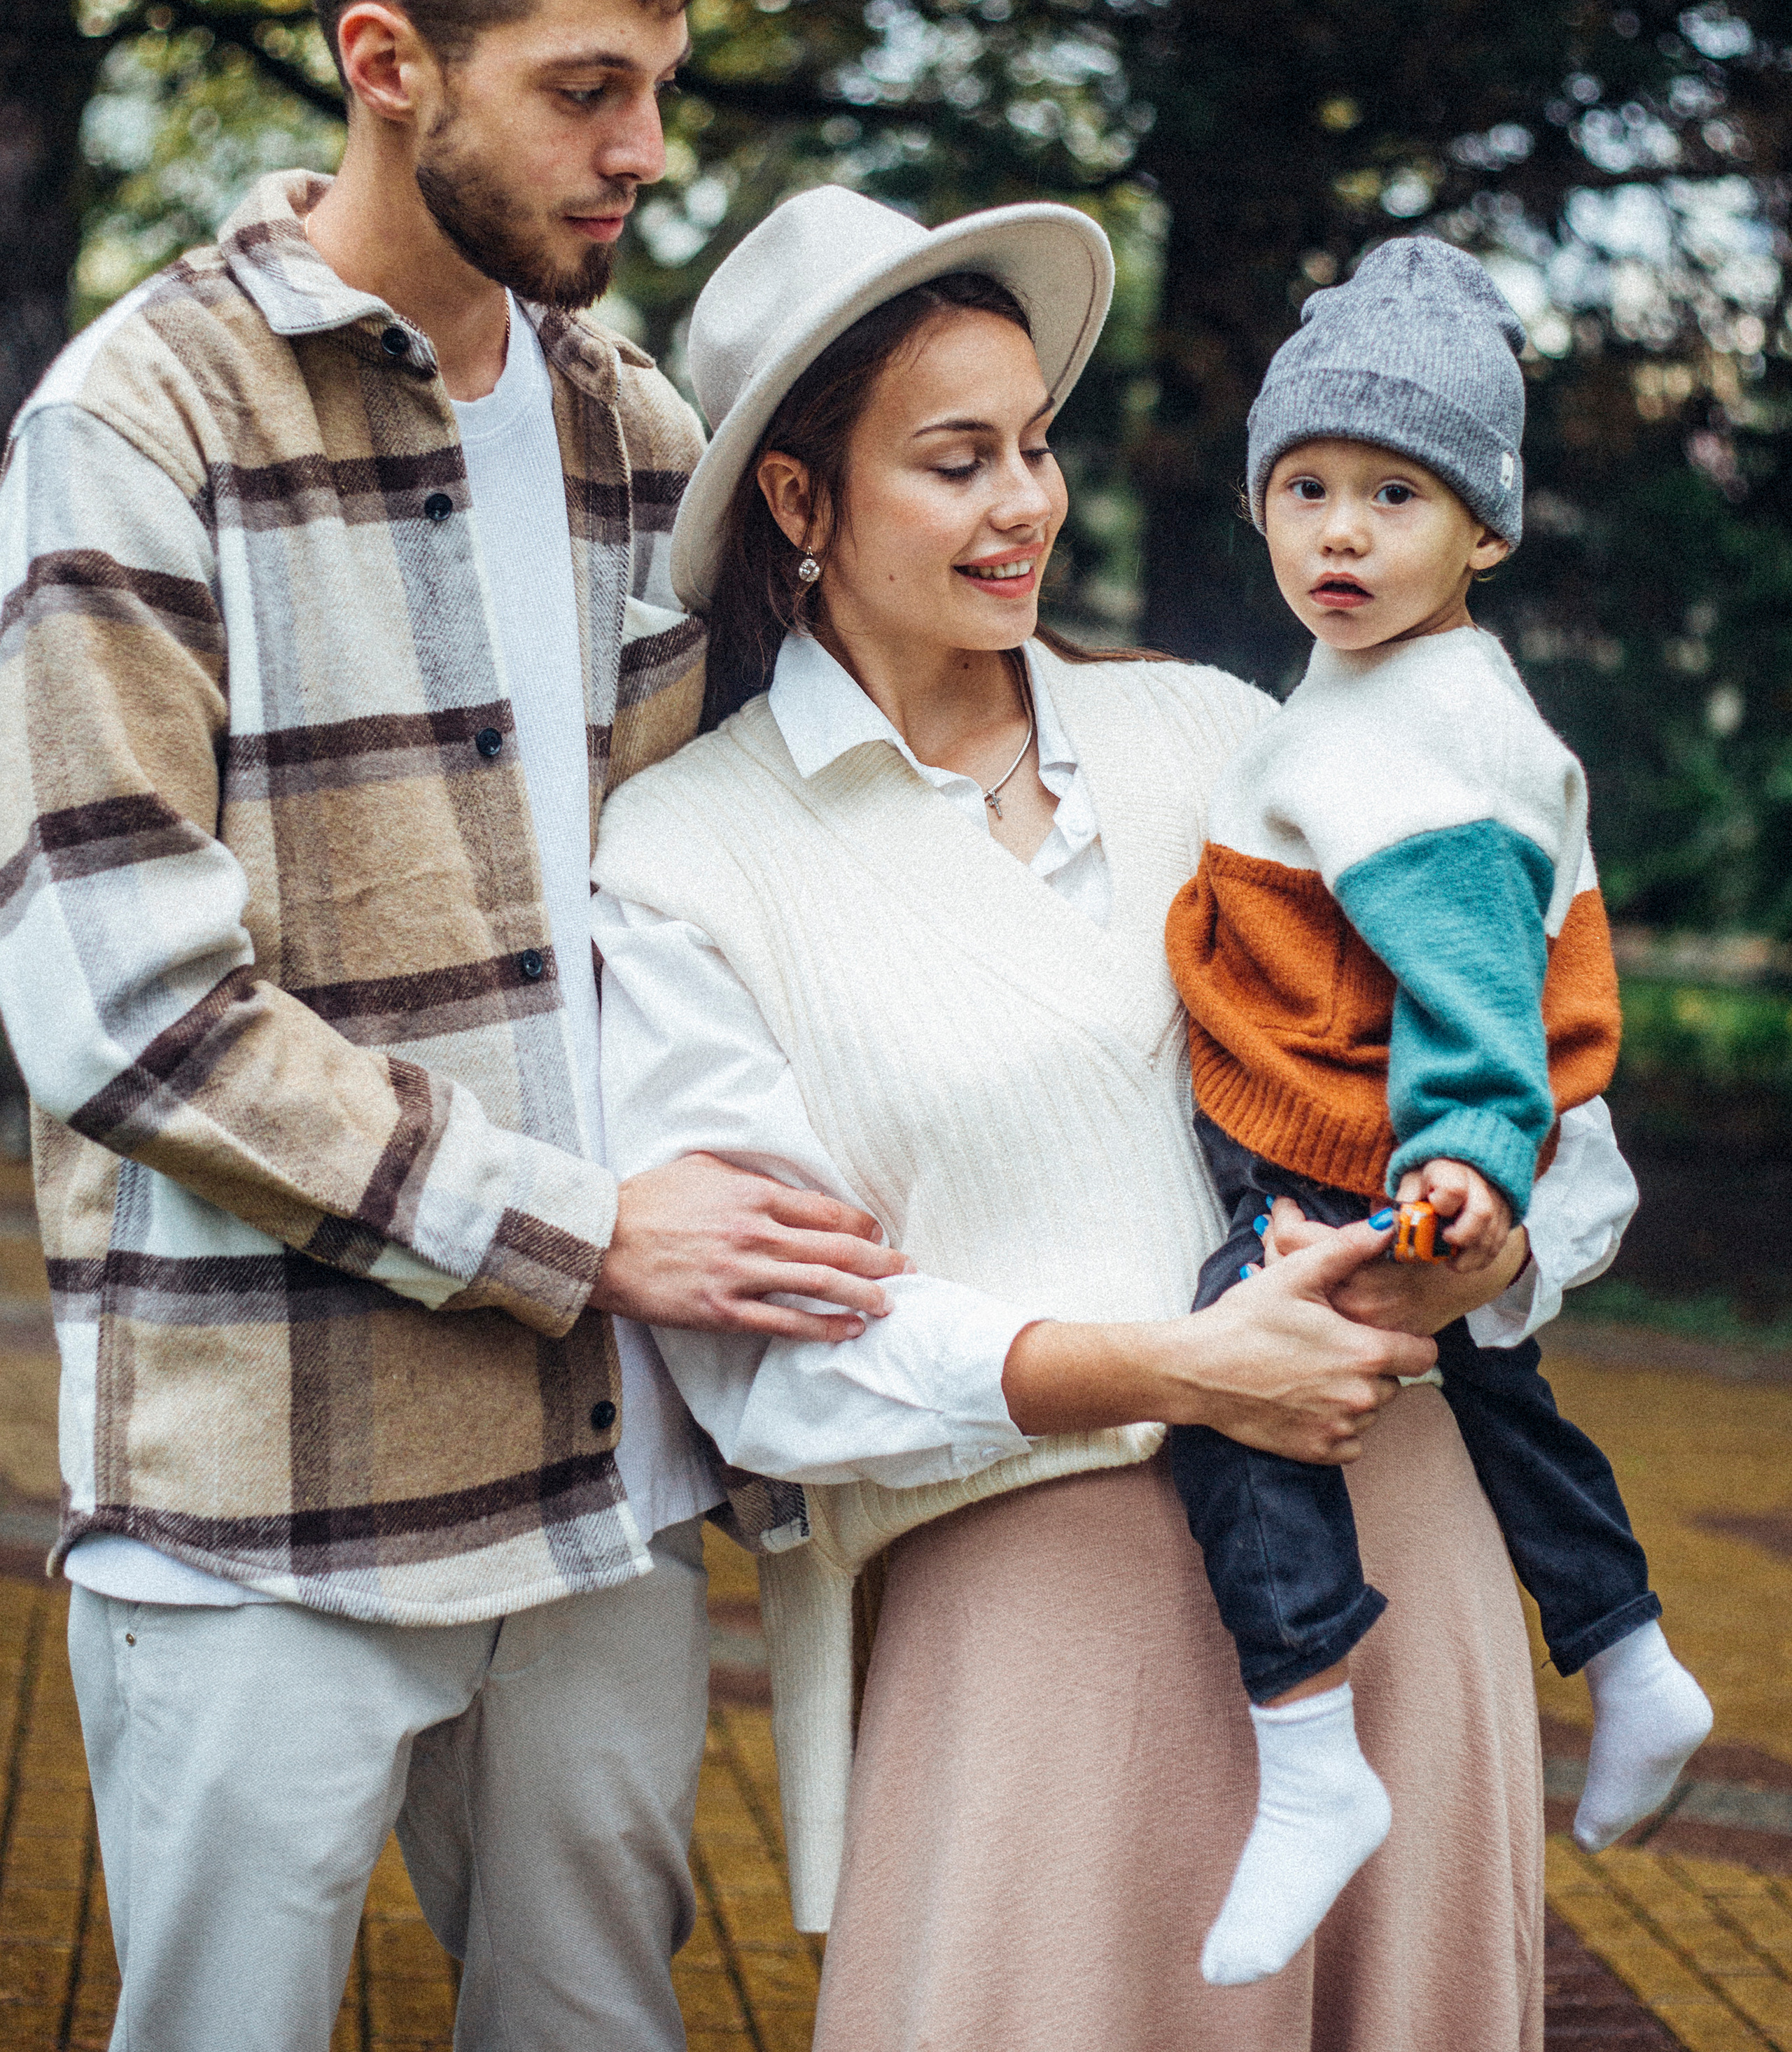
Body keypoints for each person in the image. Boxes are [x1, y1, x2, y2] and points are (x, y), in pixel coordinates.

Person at [0, 0, 910, 2052]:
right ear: (388, 65)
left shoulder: (635, 437)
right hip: (269, 1497)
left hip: (600, 1483)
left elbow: (726, 893)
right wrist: (585, 1225)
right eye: (587, 89)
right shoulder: (139, 425)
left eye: (663, 88)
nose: (647, 152)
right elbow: (122, 1003)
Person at [594, 182, 1639, 2050]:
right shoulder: (685, 857)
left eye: (1039, 444)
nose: (1026, 503)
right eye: (956, 459)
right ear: (799, 500)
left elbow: (1552, 1102)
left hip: (1404, 1558)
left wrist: (1453, 1265)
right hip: (1035, 1627)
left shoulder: (1223, 735)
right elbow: (775, 1357)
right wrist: (1177, 1362)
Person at [1162, 235, 1713, 1988]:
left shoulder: (1408, 737)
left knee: (1227, 1386)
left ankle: (1310, 1751)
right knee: (1499, 1393)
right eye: (1303, 485)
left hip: (1344, 1157)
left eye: (1392, 495)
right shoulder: (1390, 694)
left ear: (1482, 531)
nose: (1336, 532)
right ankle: (1624, 1648)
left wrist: (1470, 1161)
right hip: (1372, 1135)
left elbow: (1476, 997)